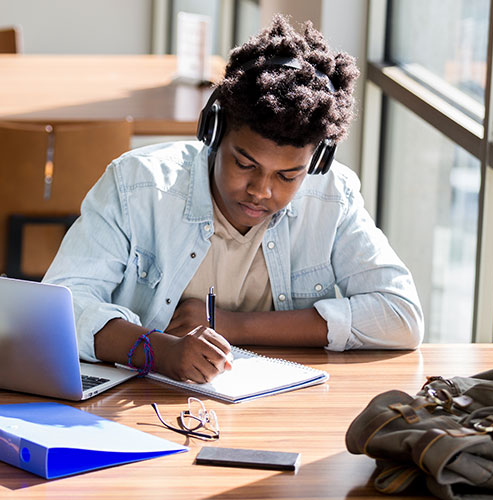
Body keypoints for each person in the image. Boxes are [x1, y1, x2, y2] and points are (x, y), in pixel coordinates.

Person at [43, 14, 424, 383]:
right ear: (214, 131)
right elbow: (61, 308)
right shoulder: (136, 184)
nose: (261, 190)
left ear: (316, 162)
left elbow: (400, 315)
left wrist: (234, 325)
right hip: (146, 405)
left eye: (288, 176)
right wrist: (159, 352)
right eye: (244, 164)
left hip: (273, 408)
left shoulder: (331, 197)